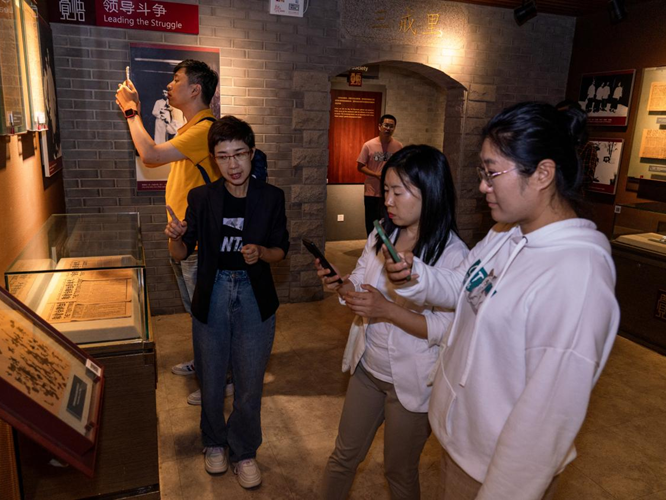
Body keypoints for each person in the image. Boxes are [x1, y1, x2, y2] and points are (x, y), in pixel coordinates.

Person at [385, 102, 620, 500]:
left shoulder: (576, 274)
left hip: (496, 471)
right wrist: (415, 276)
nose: (482, 187)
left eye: (492, 173)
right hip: (462, 445)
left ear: (543, 173)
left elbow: (545, 420)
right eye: (483, 173)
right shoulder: (507, 234)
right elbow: (464, 286)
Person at [317, 145, 468, 499]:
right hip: (369, 369)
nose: (387, 201)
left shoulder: (453, 254)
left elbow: (446, 329)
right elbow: (360, 280)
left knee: (399, 472)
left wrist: (386, 310)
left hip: (413, 383)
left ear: (429, 192)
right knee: (343, 457)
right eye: (386, 190)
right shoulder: (382, 234)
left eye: (398, 192)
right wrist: (342, 286)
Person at [164, 116, 289, 489]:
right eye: (223, 156)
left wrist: (261, 252)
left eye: (239, 154)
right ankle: (215, 442)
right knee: (212, 377)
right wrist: (175, 237)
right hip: (214, 290)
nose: (233, 164)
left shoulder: (271, 197)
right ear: (213, 159)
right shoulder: (202, 198)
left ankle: (245, 450)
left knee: (249, 382)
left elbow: (280, 250)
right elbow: (181, 253)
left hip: (254, 293)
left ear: (252, 154)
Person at [116, 60, 227, 398]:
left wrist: (131, 112)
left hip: (199, 242)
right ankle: (205, 362)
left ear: (195, 89)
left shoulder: (204, 130)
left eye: (177, 79)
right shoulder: (191, 128)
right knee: (197, 312)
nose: (169, 85)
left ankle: (220, 380)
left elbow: (149, 155)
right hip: (183, 238)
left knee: (208, 316)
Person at [357, 114, 403, 237]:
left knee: (388, 222)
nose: (388, 128)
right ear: (379, 126)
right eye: (386, 125)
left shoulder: (398, 146)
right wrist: (376, 174)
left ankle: (385, 246)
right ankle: (371, 246)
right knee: (371, 223)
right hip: (371, 192)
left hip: (390, 192)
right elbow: (360, 166)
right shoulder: (368, 145)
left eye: (391, 126)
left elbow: (401, 166)